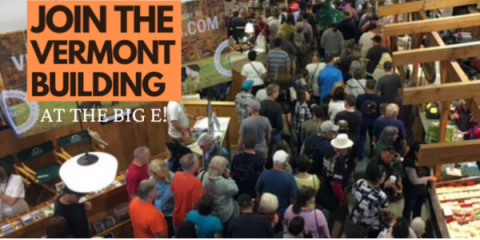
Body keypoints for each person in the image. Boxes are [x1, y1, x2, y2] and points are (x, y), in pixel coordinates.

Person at [322, 133, 352, 238]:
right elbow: (336, 184)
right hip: (334, 196)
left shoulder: (327, 152)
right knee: (339, 217)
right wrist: (342, 199)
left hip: (325, 190)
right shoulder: (339, 160)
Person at [198, 156, 239, 228]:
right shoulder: (223, 183)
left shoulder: (202, 175)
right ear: (222, 169)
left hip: (208, 211)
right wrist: (228, 177)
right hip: (222, 214)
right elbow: (235, 190)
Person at [256, 150, 297, 217]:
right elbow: (293, 199)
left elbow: (258, 194)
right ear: (285, 163)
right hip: (283, 212)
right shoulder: (289, 177)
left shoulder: (263, 174)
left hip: (265, 212)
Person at [351, 164, 388, 238]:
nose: (385, 177)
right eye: (383, 176)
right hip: (372, 226)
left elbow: (353, 193)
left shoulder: (360, 182)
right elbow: (384, 212)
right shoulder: (381, 196)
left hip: (357, 219)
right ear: (378, 179)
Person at [402, 142, 437, 220]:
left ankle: (416, 225)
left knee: (418, 209)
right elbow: (414, 180)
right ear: (415, 152)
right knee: (408, 210)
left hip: (422, 191)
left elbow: (430, 168)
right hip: (411, 192)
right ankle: (405, 226)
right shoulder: (409, 162)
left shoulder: (424, 158)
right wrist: (429, 178)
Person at [171, 154, 204, 229]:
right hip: (189, 219)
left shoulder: (176, 175)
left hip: (176, 216)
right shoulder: (196, 182)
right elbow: (196, 204)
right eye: (197, 161)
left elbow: (173, 191)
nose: (199, 162)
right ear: (193, 166)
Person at [356, 79, 382, 158]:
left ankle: (360, 154)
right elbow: (379, 111)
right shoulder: (378, 98)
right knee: (373, 138)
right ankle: (372, 153)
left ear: (366, 86)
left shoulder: (360, 97)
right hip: (374, 121)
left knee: (361, 137)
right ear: (374, 87)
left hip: (363, 120)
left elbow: (357, 108)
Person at [150, 159, 175, 237]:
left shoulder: (173, 178)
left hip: (170, 214)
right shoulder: (152, 179)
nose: (154, 176)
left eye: (155, 174)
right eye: (153, 174)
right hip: (158, 214)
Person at [259, 84, 283, 150]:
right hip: (274, 133)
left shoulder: (261, 104)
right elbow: (279, 125)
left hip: (262, 132)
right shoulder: (277, 106)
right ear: (273, 93)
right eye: (277, 91)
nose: (278, 93)